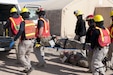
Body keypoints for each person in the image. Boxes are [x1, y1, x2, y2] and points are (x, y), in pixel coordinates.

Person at [10, 7, 36, 74]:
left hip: (25, 41)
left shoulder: (23, 22)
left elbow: (21, 30)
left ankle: (29, 67)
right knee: (27, 55)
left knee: (20, 56)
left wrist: (15, 38)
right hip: (32, 41)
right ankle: (27, 68)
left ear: (23, 15)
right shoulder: (32, 22)